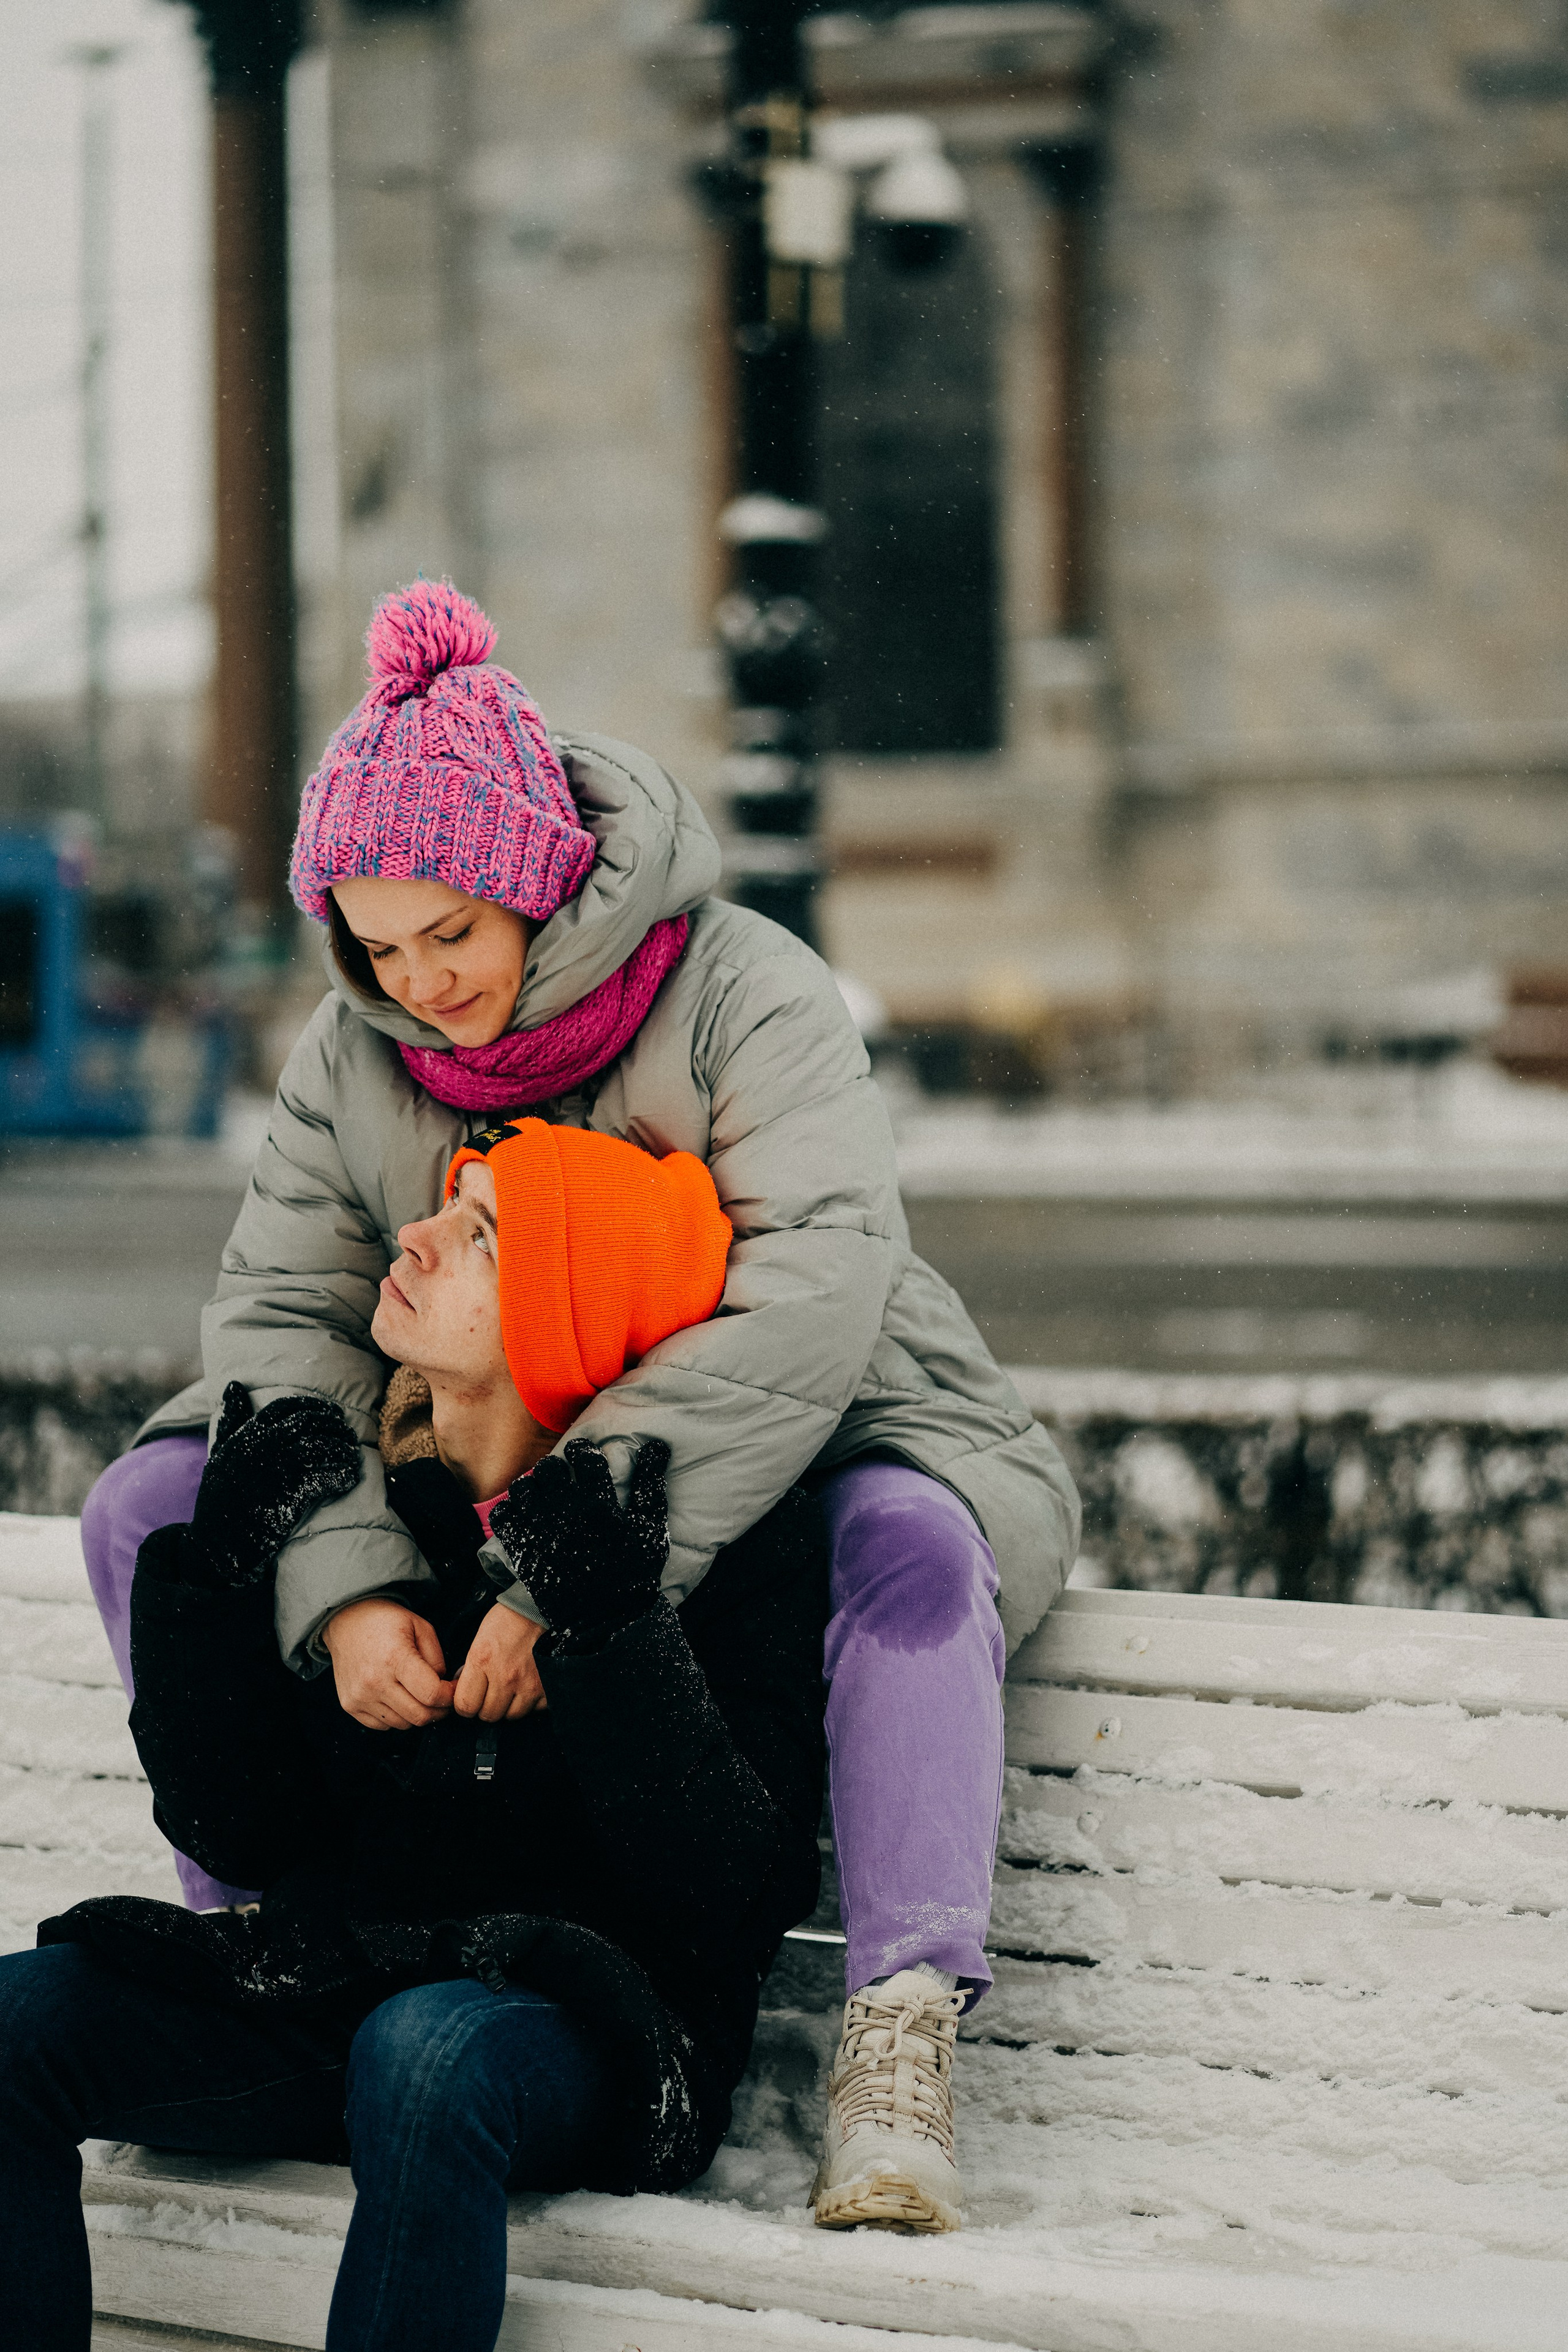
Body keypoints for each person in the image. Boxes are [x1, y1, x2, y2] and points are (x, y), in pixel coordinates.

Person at [77, 578, 1081, 2231]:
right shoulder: (360, 1046)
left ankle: (899, 2028)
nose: (420, 986)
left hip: (810, 1403)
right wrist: (340, 1591)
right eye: (377, 948)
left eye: (449, 937)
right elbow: (283, 1307)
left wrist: (570, 1564)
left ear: (538, 884)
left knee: (906, 1543)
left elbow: (815, 1289)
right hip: (450, 1415)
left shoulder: (747, 991)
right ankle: (263, 1941)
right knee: (152, 1503)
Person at [0, 1120, 830, 2352]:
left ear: (562, 1323)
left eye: (480, 1233)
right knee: (19, 2025)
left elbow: (728, 1899)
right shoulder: (373, 1525)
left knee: (427, 2055)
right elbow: (244, 1830)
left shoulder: (718, 1547)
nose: (420, 1235)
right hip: (351, 1976)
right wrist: (222, 1578)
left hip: (589, 2025)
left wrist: (604, 1628)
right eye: (449, 1205)